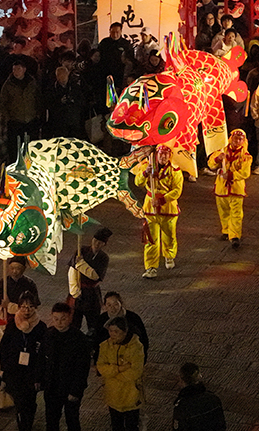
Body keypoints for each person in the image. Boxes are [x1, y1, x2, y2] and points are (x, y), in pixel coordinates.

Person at [0, 291, 46, 431]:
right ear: (19, 307)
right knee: (19, 401)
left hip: (32, 371)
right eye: (24, 307)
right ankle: (22, 424)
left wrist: (40, 375)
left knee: (30, 401)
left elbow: (44, 352)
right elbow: (4, 347)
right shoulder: (13, 325)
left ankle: (27, 422)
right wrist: (4, 368)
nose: (27, 310)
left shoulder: (40, 327)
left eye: (30, 307)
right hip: (15, 370)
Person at [136, 144, 183, 278]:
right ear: (156, 154)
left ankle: (169, 255)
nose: (163, 156)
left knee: (169, 235)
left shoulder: (175, 170)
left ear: (170, 156)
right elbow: (138, 182)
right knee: (151, 239)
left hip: (168, 209)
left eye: (166, 154)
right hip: (150, 209)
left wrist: (162, 200)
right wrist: (145, 173)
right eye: (161, 153)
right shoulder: (147, 165)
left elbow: (177, 191)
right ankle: (151, 267)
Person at [42, 302, 90, 431]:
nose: (59, 323)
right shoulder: (48, 335)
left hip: (70, 386)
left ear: (70, 317)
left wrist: (76, 390)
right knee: (51, 420)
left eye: (63, 319)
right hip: (52, 387)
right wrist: (40, 379)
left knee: (72, 420)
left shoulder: (79, 339)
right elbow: (42, 359)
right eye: (56, 319)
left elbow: (82, 368)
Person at [206, 129, 252, 248]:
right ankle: (226, 231)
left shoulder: (246, 156)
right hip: (221, 187)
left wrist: (231, 175)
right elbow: (211, 164)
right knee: (223, 211)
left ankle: (235, 235)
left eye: (240, 139)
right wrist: (218, 159)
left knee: (236, 213)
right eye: (235, 138)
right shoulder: (221, 151)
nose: (237, 141)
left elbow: (245, 173)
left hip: (236, 189)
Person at [97, 316, 145, 431]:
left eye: (116, 331)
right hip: (113, 395)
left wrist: (112, 373)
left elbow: (134, 373)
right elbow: (101, 367)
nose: (112, 334)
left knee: (131, 426)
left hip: (131, 396)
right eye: (110, 331)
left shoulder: (136, 347)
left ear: (125, 331)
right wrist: (120, 369)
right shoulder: (105, 346)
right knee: (116, 426)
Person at [67, 227, 111, 335]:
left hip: (92, 293)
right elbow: (72, 269)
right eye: (95, 240)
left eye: (100, 242)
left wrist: (81, 264)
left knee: (93, 322)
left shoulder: (103, 258)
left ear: (104, 244)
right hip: (78, 289)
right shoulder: (81, 250)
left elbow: (95, 276)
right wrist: (74, 290)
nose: (97, 244)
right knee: (73, 320)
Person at [0, 58, 41, 162]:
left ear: (24, 70)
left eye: (18, 69)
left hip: (31, 119)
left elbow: (38, 99)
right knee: (14, 147)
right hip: (15, 120)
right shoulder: (8, 84)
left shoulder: (32, 83)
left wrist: (38, 114)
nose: (16, 72)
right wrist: (8, 117)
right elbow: (2, 102)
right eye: (14, 69)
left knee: (31, 145)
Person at [94, 292, 150, 363]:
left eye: (115, 304)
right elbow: (97, 341)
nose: (112, 308)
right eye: (109, 305)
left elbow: (143, 339)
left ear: (121, 303)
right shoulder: (102, 319)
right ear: (105, 306)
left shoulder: (133, 318)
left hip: (130, 356)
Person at [173, 362, 227, 431]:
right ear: (199, 376)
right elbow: (221, 425)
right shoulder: (213, 398)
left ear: (181, 380)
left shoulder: (182, 406)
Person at [0, 256, 40, 322]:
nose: (14, 271)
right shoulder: (3, 283)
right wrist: (0, 322)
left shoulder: (30, 284)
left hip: (24, 319)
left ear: (24, 269)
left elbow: (33, 307)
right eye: (12, 268)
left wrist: (9, 306)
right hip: (7, 318)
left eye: (18, 268)